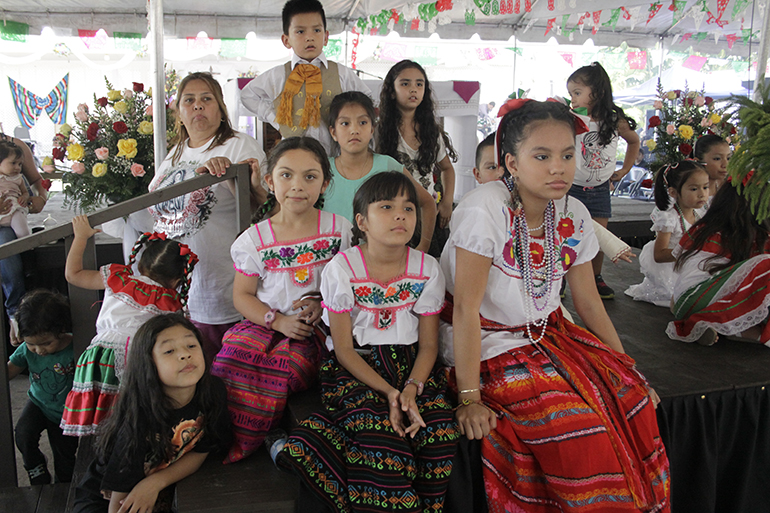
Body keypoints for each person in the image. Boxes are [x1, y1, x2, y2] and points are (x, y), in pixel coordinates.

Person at [441, 99, 670, 512]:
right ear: (511, 162)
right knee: (575, 428)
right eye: (542, 156)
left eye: (567, 155)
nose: (558, 168)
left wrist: (626, 365)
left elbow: (587, 302)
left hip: (549, 335)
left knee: (634, 399)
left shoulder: (574, 211)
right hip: (488, 341)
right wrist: (470, 397)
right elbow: (465, 311)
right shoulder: (483, 210)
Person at [280, 172, 459, 513]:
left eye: (409, 208)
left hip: (412, 367)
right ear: (361, 221)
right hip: (358, 367)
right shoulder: (342, 269)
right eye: (387, 207)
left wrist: (410, 388)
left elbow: (429, 347)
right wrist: (389, 393)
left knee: (438, 434)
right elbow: (344, 349)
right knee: (383, 439)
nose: (400, 216)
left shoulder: (428, 268)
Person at [212, 137, 352, 463]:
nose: (297, 186)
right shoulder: (254, 239)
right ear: (269, 181)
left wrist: (324, 305)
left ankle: (269, 433)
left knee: (288, 369)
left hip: (318, 331)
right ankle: (242, 438)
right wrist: (278, 321)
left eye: (310, 176)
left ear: (325, 183)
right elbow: (242, 296)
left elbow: (350, 282)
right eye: (286, 175)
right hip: (266, 326)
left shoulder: (339, 229)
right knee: (230, 361)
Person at [147, 71, 265, 360]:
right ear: (179, 112)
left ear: (221, 109)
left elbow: (261, 210)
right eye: (189, 100)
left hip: (222, 287)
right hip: (180, 289)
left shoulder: (239, 145)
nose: (197, 106)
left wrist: (231, 177)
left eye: (206, 99)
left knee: (221, 376)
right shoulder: (175, 152)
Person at [72, 314, 231, 513]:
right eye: (169, 351)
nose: (184, 355)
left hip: (157, 487)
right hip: (108, 500)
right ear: (149, 364)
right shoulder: (138, 418)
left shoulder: (213, 391)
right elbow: (118, 505)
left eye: (191, 346)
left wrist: (154, 483)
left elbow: (202, 449)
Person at [60, 215, 198, 437]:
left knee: (102, 417)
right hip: (134, 359)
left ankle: (100, 452)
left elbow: (72, 275)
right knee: (128, 417)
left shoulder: (120, 279)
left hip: (98, 355)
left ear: (141, 262)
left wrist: (81, 237)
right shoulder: (169, 301)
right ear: (177, 280)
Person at [240, 0, 371, 155]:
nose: (310, 37)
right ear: (286, 40)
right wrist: (275, 118)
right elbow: (248, 95)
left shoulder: (341, 73)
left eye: (316, 30)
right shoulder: (278, 75)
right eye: (300, 32)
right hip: (294, 157)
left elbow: (366, 98)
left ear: (326, 36)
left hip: (336, 157)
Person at [323, 91, 437, 251]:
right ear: (333, 132)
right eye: (345, 123)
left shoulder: (387, 165)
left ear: (372, 130)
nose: (354, 130)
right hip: (330, 263)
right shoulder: (321, 170)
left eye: (362, 122)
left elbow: (427, 203)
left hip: (380, 263)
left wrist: (423, 246)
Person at [567, 62, 640, 299]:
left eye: (577, 93)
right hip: (572, 188)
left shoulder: (614, 120)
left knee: (598, 237)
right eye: (571, 94)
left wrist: (625, 169)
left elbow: (634, 141)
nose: (573, 99)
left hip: (599, 190)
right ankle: (559, 280)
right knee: (566, 234)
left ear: (596, 93)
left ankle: (595, 277)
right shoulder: (572, 118)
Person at [668, 182, 770, 346]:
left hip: (683, 300)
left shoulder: (704, 228)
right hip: (701, 296)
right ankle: (740, 330)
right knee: (766, 265)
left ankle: (713, 325)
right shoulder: (753, 236)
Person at [376, 59, 458, 257]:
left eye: (419, 84)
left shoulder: (431, 131)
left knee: (427, 267)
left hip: (428, 215)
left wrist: (447, 202)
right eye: (405, 83)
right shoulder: (379, 130)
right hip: (394, 213)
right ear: (392, 91)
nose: (413, 89)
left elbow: (447, 168)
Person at [7, 290, 78, 485]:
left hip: (67, 413)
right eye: (31, 344)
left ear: (61, 330)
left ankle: (64, 487)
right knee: (23, 435)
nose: (39, 350)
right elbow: (10, 370)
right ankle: (35, 467)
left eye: (46, 343)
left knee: (64, 455)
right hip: (38, 402)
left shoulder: (76, 348)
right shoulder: (26, 349)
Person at [626, 161, 709, 307]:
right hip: (673, 271)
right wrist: (689, 251)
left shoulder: (701, 214)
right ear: (673, 192)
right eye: (694, 189)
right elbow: (659, 255)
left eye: (705, 187)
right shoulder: (669, 218)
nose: (702, 194)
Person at [0, 132, 48, 345]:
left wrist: (38, 198)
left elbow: (37, 182)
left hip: (9, 220)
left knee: (11, 250)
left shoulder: (15, 145)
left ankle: (17, 316)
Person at [0, 140, 31, 238]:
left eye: (20, 164)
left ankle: (26, 247)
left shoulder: (18, 178)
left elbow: (25, 192)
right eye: (13, 163)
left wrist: (24, 197)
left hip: (14, 208)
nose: (17, 168)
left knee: (23, 232)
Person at [694, 134, 731, 198]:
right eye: (717, 158)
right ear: (698, 162)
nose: (725, 165)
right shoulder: (685, 196)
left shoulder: (729, 191)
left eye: (728, 158)